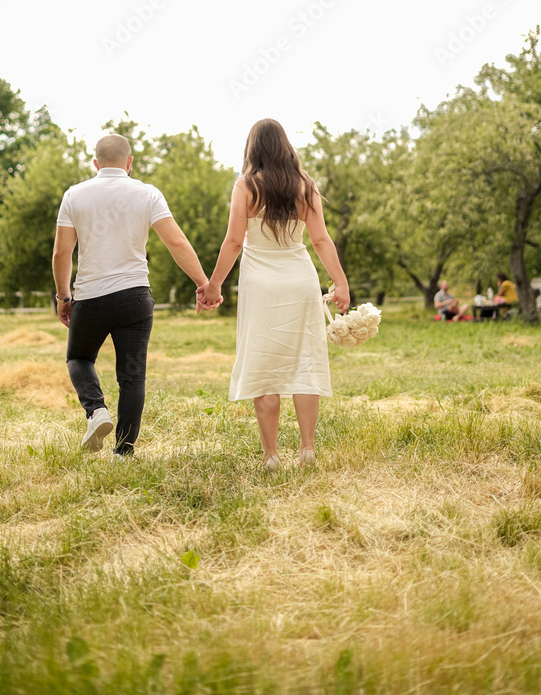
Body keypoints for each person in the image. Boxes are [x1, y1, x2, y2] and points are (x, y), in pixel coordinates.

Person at [52, 134, 221, 457]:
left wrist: (63, 297)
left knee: (79, 358)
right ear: (130, 163)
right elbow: (177, 243)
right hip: (135, 298)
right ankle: (123, 453)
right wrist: (204, 284)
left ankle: (96, 410)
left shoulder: (74, 195)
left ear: (95, 163)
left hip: (91, 297)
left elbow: (62, 253)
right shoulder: (147, 193)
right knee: (132, 377)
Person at [198, 118, 350, 471]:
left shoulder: (246, 186)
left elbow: (234, 241)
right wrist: (339, 281)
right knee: (304, 360)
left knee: (265, 363)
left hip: (260, 286)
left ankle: (271, 456)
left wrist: (215, 284)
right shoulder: (305, 186)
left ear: (253, 148)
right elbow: (321, 240)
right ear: (285, 146)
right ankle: (308, 450)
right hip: (299, 280)